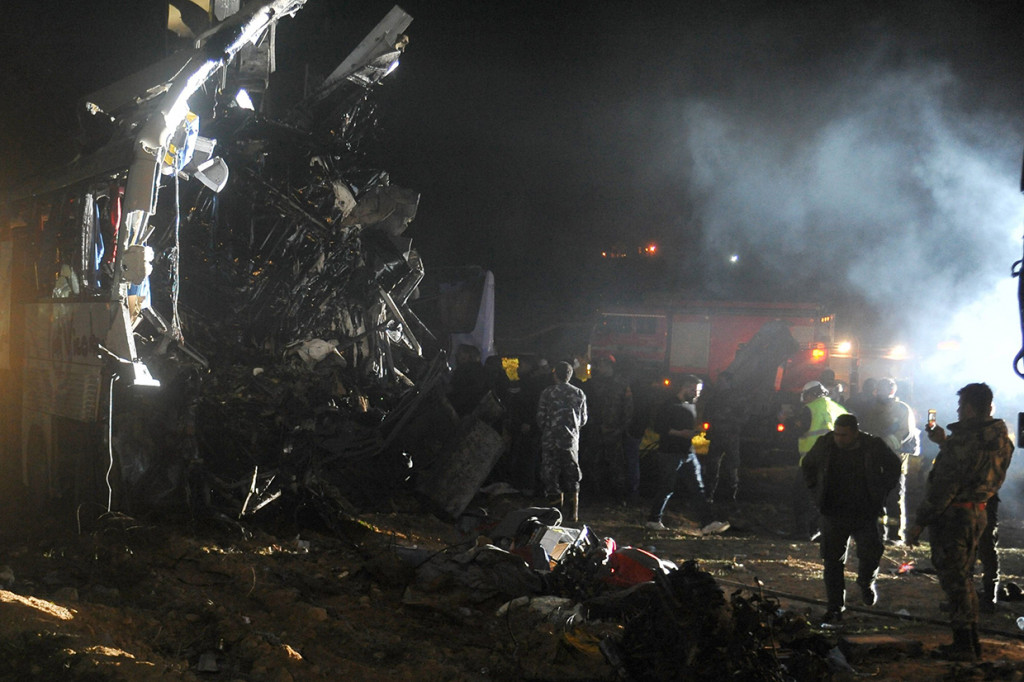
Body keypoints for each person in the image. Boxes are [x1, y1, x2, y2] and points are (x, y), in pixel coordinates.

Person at [906, 383, 1013, 661]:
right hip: (979, 510)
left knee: (955, 580)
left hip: (954, 516)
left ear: (967, 408)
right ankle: (971, 640)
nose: (957, 411)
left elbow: (946, 486)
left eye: (959, 406)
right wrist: (946, 442)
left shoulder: (964, 441)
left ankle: (963, 644)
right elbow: (975, 464)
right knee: (964, 578)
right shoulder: (1001, 437)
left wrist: (920, 522)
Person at [801, 413, 902, 623]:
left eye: (844, 435)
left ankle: (865, 582)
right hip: (833, 512)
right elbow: (808, 464)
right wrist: (815, 490)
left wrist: (881, 490)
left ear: (855, 433)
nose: (839, 439)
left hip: (865, 512)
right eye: (837, 434)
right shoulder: (826, 443)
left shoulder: (872, 445)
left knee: (870, 554)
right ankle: (835, 607)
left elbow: (894, 465)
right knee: (832, 562)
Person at [645, 374, 729, 535]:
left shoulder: (691, 404)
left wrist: (691, 434)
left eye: (699, 391)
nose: (697, 394)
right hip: (670, 452)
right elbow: (659, 427)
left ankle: (707, 523)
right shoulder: (669, 405)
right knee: (666, 487)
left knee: (698, 488)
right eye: (695, 390)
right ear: (685, 387)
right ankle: (653, 519)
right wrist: (680, 433)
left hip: (688, 453)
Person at [859, 377, 921, 544]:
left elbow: (905, 432)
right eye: (877, 389)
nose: (878, 392)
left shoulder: (902, 409)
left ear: (892, 391)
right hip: (874, 459)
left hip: (894, 460)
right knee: (874, 497)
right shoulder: (872, 409)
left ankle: (895, 535)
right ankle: (878, 532)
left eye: (881, 389)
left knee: (894, 498)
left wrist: (886, 442)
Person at [791, 381, 847, 539]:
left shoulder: (810, 408)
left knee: (801, 496)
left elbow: (798, 430)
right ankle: (819, 531)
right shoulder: (839, 409)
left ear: (810, 394)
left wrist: (788, 422)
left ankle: (802, 532)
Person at [536, 361, 588, 523]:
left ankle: (555, 514)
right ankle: (573, 514)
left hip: (550, 440)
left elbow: (540, 418)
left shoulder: (547, 393)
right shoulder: (579, 393)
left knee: (551, 476)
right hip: (570, 442)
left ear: (555, 374)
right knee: (572, 475)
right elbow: (584, 419)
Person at [580, 354, 633, 502]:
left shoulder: (621, 384)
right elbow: (587, 406)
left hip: (614, 431)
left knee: (616, 464)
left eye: (601, 365)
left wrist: (621, 428)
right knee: (593, 462)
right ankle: (596, 493)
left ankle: (619, 495)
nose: (598, 368)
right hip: (595, 429)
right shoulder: (593, 384)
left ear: (609, 366)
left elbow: (628, 409)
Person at [700, 370, 743, 508]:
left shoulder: (737, 398)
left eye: (721, 381)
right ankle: (709, 496)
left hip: (730, 438)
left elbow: (743, 417)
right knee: (712, 468)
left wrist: (728, 420)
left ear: (728, 382)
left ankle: (730, 498)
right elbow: (706, 414)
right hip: (717, 437)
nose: (719, 383)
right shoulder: (715, 398)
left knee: (731, 469)